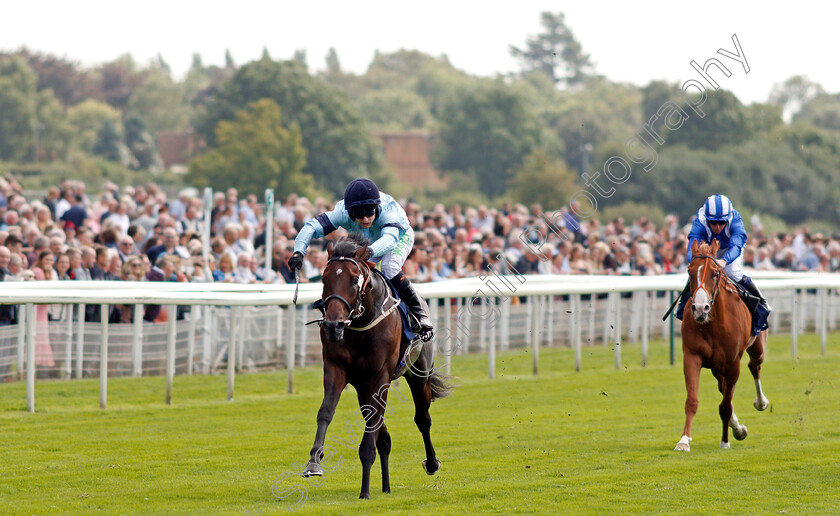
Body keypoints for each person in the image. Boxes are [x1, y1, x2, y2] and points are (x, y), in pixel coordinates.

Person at [288, 178, 434, 343]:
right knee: (349, 268)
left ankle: (419, 313)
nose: (365, 219)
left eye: (370, 212)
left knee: (389, 267)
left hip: (398, 237)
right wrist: (298, 252)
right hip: (369, 239)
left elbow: (389, 240)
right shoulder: (341, 212)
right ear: (350, 212)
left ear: (376, 208)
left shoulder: (389, 211)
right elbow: (311, 227)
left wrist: (368, 252)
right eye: (359, 214)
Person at [676, 194, 771, 321]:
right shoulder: (700, 221)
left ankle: (761, 302)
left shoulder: (735, 220)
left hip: (730, 249)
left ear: (727, 219)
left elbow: (736, 246)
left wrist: (724, 260)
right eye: (713, 223)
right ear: (707, 219)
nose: (718, 227)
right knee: (699, 271)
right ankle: (683, 306)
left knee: (732, 272)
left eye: (721, 223)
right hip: (709, 249)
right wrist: (697, 261)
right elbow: (691, 251)